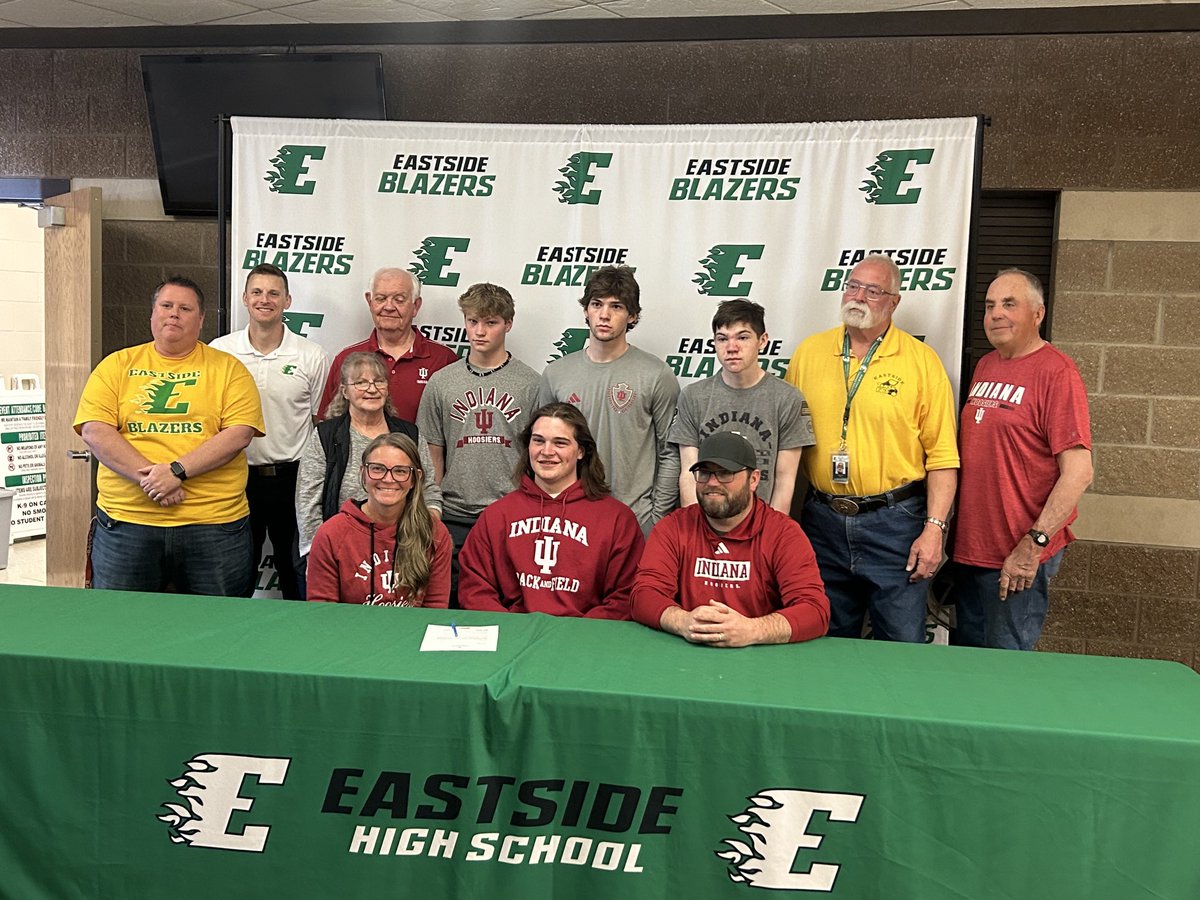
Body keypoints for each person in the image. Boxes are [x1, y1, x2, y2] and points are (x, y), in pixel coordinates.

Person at [784, 253, 958, 643]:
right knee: (822, 640)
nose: (858, 297)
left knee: (899, 646)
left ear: (894, 302)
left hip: (896, 526)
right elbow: (789, 447)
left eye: (873, 290)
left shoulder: (922, 363)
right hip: (822, 522)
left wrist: (934, 530)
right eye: (853, 286)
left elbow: (943, 457)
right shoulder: (809, 354)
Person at [74, 276, 264, 596]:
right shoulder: (116, 366)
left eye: (185, 308)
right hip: (127, 523)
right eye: (166, 306)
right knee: (120, 629)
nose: (174, 314)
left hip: (213, 525)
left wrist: (177, 471)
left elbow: (239, 433)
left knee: (220, 630)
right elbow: (95, 430)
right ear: (152, 315)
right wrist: (154, 479)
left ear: (201, 320)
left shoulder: (229, 369)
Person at [948, 268, 1093, 650]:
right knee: (966, 669)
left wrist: (1034, 544)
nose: (996, 314)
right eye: (990, 305)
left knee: (1005, 676)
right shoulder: (987, 364)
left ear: (1038, 314)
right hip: (972, 551)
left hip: (1017, 557)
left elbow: (1078, 473)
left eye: (1009, 304)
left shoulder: (1057, 373)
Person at [632, 432, 828, 646]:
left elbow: (815, 611)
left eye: (725, 473)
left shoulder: (783, 534)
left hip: (760, 658)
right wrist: (684, 621)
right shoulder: (673, 527)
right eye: (704, 473)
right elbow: (643, 595)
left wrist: (753, 630)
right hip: (688, 655)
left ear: (753, 479)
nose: (712, 483)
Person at [209, 263, 329, 599]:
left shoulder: (311, 355)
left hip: (292, 479)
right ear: (245, 299)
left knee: (295, 570)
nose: (265, 299)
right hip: (232, 477)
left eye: (274, 293)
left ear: (287, 300)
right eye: (258, 292)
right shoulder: (220, 352)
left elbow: (319, 421)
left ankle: (299, 643)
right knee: (235, 571)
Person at [458, 402, 644, 619]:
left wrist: (572, 637)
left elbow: (625, 596)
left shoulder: (617, 519)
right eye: (538, 441)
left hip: (583, 642)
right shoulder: (497, 515)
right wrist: (511, 630)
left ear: (581, 451)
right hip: (514, 638)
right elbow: (474, 588)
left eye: (560, 443)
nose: (547, 452)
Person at [417, 283, 541, 604]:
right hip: (454, 514)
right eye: (472, 322)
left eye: (490, 322)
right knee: (453, 604)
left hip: (510, 514)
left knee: (508, 604)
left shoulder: (531, 384)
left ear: (508, 324)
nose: (479, 331)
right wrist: (432, 509)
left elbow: (540, 457)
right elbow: (433, 452)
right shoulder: (442, 382)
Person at [538, 265, 680, 535]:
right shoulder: (556, 374)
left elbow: (670, 452)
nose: (604, 315)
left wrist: (657, 517)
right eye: (596, 304)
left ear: (632, 315)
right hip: (569, 520)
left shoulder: (656, 375)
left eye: (616, 306)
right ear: (586, 311)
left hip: (635, 520)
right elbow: (540, 450)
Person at [296, 353, 442, 565]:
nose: (372, 389)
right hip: (339, 551)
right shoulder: (326, 436)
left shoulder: (410, 434)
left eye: (378, 381)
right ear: (345, 391)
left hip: (402, 550)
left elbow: (428, 488)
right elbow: (307, 501)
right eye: (361, 382)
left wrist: (426, 531)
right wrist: (319, 555)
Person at [671, 299, 813, 514]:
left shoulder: (787, 398)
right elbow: (688, 475)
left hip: (762, 525)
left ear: (762, 340)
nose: (731, 348)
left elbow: (785, 480)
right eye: (722, 339)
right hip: (706, 522)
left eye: (743, 337)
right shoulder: (693, 396)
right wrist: (698, 531)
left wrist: (771, 534)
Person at [307, 433, 451, 606]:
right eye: (377, 469)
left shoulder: (434, 532)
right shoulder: (331, 534)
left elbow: (435, 608)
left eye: (400, 471)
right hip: (349, 632)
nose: (388, 479)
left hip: (413, 632)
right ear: (363, 473)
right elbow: (323, 610)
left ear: (415, 478)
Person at [317, 267, 458, 422]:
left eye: (399, 299)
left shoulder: (444, 360)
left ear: (416, 306)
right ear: (369, 301)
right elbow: (326, 423)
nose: (389, 307)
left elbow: (455, 425)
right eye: (381, 298)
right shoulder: (346, 359)